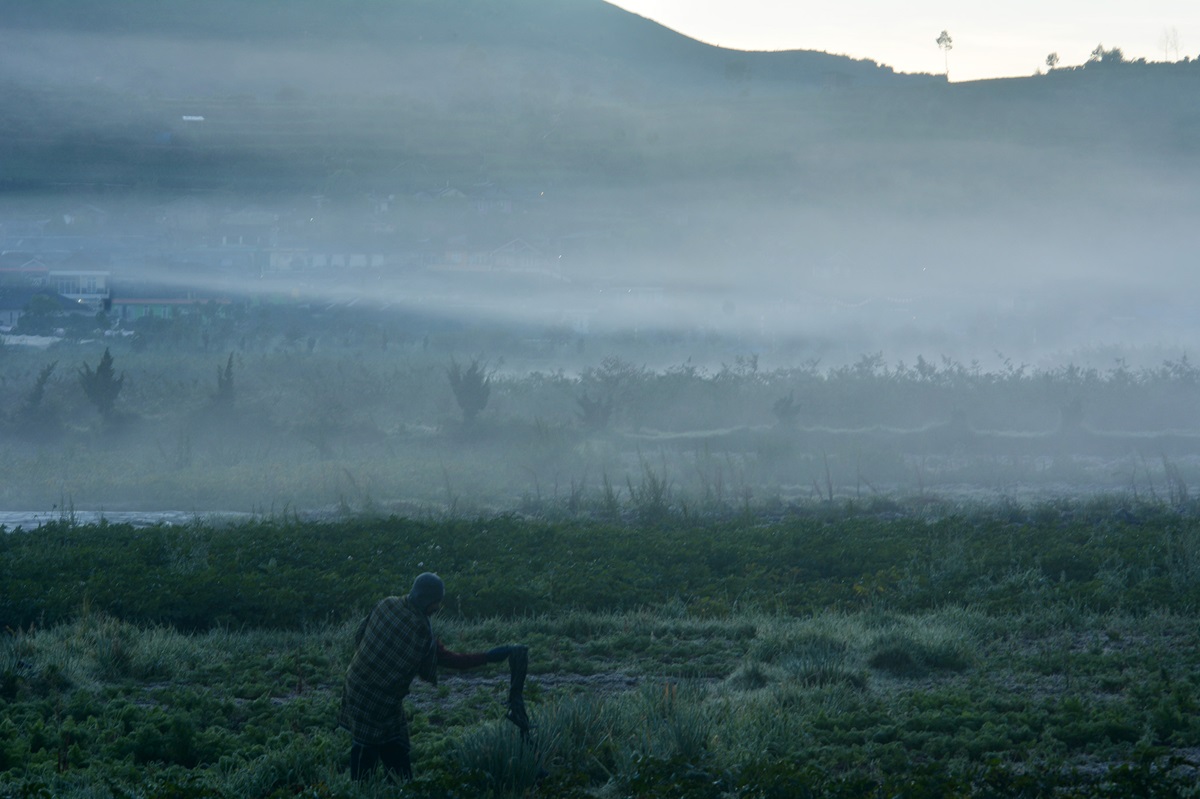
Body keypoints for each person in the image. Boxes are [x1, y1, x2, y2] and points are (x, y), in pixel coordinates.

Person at [337, 572, 519, 782]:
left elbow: (359, 636)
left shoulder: (387, 603)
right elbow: (450, 660)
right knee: (365, 750)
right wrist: (487, 657)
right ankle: (364, 790)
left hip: (357, 682)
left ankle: (401, 787)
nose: (437, 608)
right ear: (426, 601)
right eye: (436, 603)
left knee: (395, 742)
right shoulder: (420, 630)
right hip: (373, 696)